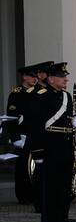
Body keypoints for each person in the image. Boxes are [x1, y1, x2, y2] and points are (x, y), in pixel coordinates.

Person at [24, 62, 76, 222]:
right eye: (63, 77)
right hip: (48, 149)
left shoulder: (67, 97)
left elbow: (67, 122)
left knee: (64, 189)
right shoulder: (40, 96)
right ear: (51, 78)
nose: (66, 80)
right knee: (50, 191)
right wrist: (38, 152)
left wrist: (75, 125)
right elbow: (34, 126)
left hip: (65, 147)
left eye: (66, 77)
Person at [4, 63, 40, 204]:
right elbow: (12, 117)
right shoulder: (16, 93)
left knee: (36, 166)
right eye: (32, 76)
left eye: (35, 76)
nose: (34, 79)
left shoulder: (38, 92)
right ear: (24, 77)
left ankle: (35, 193)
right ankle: (23, 195)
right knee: (22, 167)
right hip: (22, 135)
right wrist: (15, 137)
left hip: (35, 134)